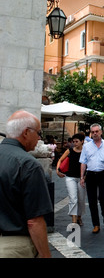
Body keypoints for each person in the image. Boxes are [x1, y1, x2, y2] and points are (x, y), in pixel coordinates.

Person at [0, 110, 53, 258]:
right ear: (26, 133)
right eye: (38, 133)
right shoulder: (28, 165)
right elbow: (34, 221)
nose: (39, 138)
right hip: (14, 246)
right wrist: (45, 255)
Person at [80, 123, 104, 234]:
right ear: (91, 133)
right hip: (90, 174)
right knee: (92, 200)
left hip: (103, 174)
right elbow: (83, 162)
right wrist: (82, 177)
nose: (95, 134)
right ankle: (96, 224)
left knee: (103, 197)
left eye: (97, 131)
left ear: (101, 132)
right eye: (93, 132)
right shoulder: (86, 146)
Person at [56, 133, 86, 226]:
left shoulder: (85, 151)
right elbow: (60, 159)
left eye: (77, 141)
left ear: (82, 141)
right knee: (73, 198)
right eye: (73, 142)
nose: (75, 143)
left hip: (82, 178)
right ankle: (74, 220)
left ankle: (79, 217)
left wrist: (85, 177)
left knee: (81, 199)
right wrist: (57, 170)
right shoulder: (70, 151)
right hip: (70, 177)